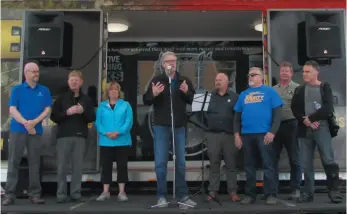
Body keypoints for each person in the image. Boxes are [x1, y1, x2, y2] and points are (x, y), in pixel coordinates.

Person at [143, 51, 197, 209]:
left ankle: (183, 196)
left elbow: (193, 100)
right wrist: (153, 94)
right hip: (160, 126)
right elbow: (146, 100)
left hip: (179, 126)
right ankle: (161, 196)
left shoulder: (184, 80)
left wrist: (187, 92)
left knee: (180, 162)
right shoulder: (156, 80)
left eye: (174, 61)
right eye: (168, 61)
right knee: (160, 163)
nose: (172, 63)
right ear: (162, 64)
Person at [291, 60, 343, 203]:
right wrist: (304, 120)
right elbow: (294, 108)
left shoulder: (324, 87)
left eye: (308, 71)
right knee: (306, 163)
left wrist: (312, 118)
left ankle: (334, 192)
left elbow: (328, 108)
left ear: (316, 72)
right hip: (304, 130)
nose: (304, 74)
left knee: (328, 160)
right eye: (303, 72)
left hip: (322, 129)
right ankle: (308, 192)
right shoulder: (299, 90)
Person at [2, 62, 52, 206]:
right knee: (13, 162)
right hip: (18, 130)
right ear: (26, 73)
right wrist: (26, 123)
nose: (36, 74)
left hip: (36, 131)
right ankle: (9, 195)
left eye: (37, 71)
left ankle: (34, 194)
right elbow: (12, 110)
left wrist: (33, 123)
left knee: (34, 163)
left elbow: (47, 110)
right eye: (33, 71)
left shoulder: (44, 90)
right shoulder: (17, 89)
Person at [233, 67, 283, 205]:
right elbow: (236, 118)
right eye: (248, 75)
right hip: (247, 135)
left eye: (253, 75)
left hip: (264, 134)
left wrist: (272, 132)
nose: (250, 77)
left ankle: (270, 194)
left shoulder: (270, 92)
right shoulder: (243, 95)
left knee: (268, 164)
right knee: (249, 166)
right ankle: (250, 195)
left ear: (261, 77)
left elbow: (278, 115)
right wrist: (237, 135)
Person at [50, 70, 96, 203]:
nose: (74, 82)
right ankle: (61, 194)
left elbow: (92, 117)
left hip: (80, 136)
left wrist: (82, 112)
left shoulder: (87, 100)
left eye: (76, 80)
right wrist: (66, 113)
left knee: (77, 166)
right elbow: (54, 117)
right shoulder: (61, 99)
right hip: (63, 136)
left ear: (81, 82)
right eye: (71, 80)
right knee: (62, 166)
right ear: (68, 82)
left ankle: (76, 193)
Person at [204, 72, 240, 202]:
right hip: (213, 135)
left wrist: (237, 135)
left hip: (229, 136)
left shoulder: (235, 97)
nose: (217, 82)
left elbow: (238, 116)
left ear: (226, 82)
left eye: (220, 80)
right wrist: (206, 127)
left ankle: (233, 192)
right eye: (216, 80)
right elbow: (200, 114)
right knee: (214, 165)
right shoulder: (208, 97)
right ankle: (213, 191)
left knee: (231, 165)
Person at [95, 81, 133, 202]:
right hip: (106, 141)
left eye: (115, 90)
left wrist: (119, 132)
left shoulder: (126, 105)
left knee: (122, 166)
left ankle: (122, 192)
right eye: (111, 90)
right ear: (107, 92)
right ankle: (105, 191)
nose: (113, 92)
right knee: (106, 167)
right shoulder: (102, 106)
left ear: (119, 92)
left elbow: (129, 122)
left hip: (122, 141)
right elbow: (98, 122)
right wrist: (105, 133)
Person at [272, 62, 301, 200]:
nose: (284, 73)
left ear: (291, 73)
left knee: (294, 158)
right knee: (273, 159)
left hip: (292, 125)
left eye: (286, 71)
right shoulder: (273, 89)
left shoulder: (297, 88)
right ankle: (273, 189)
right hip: (276, 127)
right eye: (282, 71)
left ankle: (295, 189)